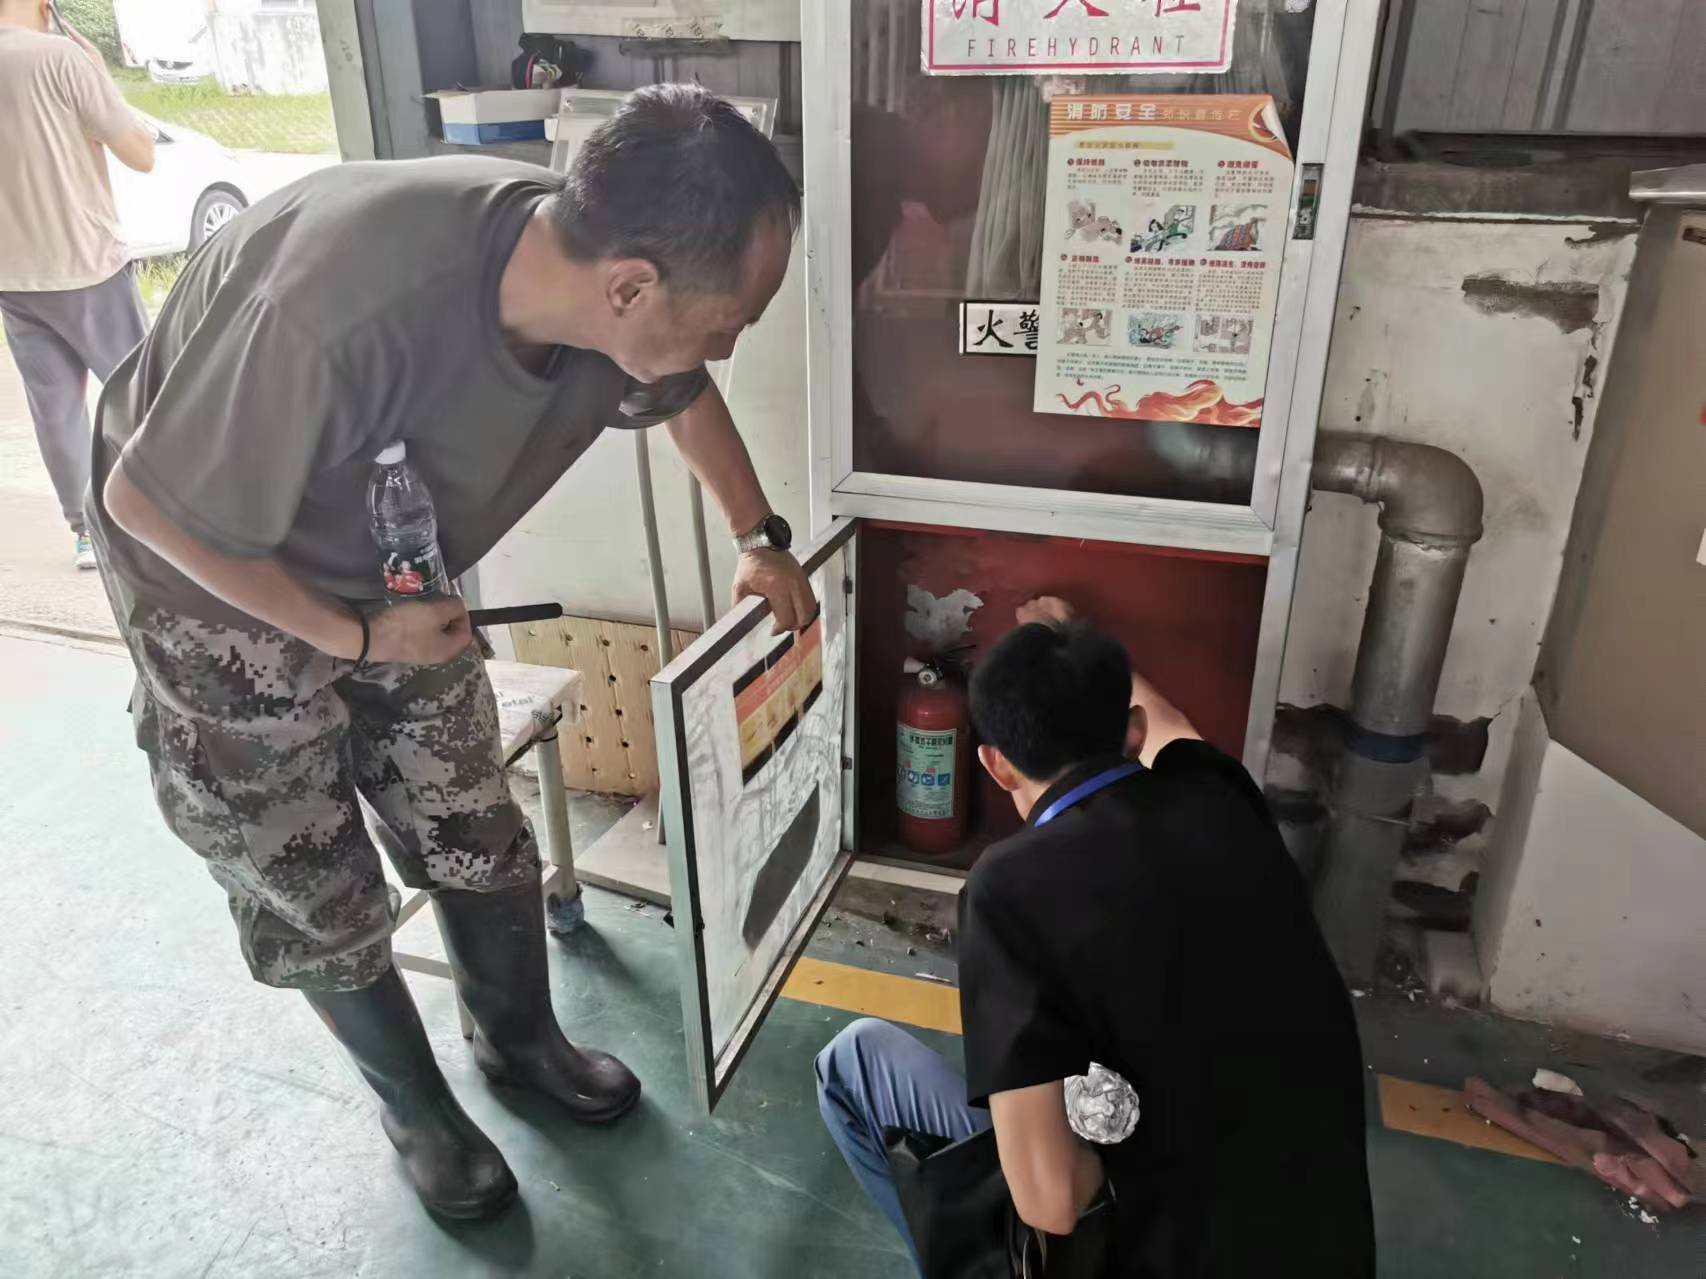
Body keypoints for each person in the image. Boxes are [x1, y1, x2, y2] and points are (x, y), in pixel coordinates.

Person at [87, 84, 816, 1219]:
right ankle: (416, 1109)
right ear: (631, 286)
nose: (726, 344)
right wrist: (350, 635)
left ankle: (517, 1039)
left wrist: (756, 538)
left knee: (466, 806)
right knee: (304, 868)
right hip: (213, 577)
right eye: (730, 320)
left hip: (392, 566)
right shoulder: (339, 305)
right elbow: (144, 501)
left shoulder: (597, 282)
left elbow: (683, 390)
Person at [816, 603, 1375, 1275]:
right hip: (1332, 1251)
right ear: (1129, 731)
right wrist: (1071, 636)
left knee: (850, 1062)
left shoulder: (1008, 888)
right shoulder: (1218, 792)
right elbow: (1165, 719)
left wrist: (1099, 1126)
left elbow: (1052, 1201)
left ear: (995, 765)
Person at [0, 0, 155, 569]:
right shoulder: (63, 58)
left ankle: (86, 531)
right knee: (142, 396)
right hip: (88, 263)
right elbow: (140, 154)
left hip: (14, 275)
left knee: (56, 409)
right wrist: (100, 75)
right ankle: (160, 519)